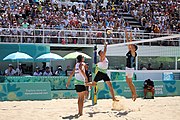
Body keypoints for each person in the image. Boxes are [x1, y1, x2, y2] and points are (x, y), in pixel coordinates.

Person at [125, 30, 138, 101]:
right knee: (127, 81)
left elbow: (130, 42)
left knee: (130, 81)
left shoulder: (134, 53)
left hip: (130, 68)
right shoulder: (130, 51)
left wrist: (130, 36)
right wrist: (126, 34)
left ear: (135, 49)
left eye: (132, 47)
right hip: (127, 68)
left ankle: (135, 94)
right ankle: (132, 93)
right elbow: (128, 43)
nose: (131, 47)